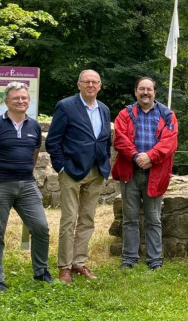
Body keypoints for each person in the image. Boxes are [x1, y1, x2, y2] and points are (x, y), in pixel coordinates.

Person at [0, 82, 51, 291]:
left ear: (29, 100)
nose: (21, 101)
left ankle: (41, 272)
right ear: (6, 102)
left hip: (26, 185)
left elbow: (34, 154)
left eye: (24, 98)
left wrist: (25, 173)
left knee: (41, 228)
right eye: (16, 98)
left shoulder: (34, 126)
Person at [46, 69, 112, 283]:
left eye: (95, 82)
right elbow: (53, 141)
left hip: (96, 171)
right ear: (79, 85)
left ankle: (79, 263)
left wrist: (105, 163)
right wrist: (61, 167)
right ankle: (64, 266)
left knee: (87, 219)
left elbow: (104, 140)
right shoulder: (66, 106)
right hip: (72, 170)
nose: (91, 85)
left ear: (100, 86)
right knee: (69, 219)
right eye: (87, 82)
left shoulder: (104, 109)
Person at [111, 77, 178, 271]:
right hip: (130, 171)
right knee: (130, 218)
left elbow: (170, 142)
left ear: (155, 92)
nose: (145, 92)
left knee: (153, 218)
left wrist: (151, 157)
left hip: (155, 172)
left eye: (149, 89)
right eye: (142, 89)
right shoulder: (125, 114)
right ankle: (129, 258)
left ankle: (154, 260)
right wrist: (135, 156)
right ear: (135, 92)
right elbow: (120, 139)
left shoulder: (167, 115)